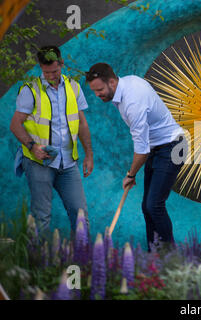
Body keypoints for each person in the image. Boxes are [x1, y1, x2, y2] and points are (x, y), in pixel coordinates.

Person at [86, 63, 186, 252]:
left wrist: (130, 175)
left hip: (173, 146)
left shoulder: (133, 103)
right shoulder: (128, 82)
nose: (97, 95)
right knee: (147, 206)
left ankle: (170, 259)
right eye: (94, 91)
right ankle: (154, 256)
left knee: (154, 205)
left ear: (112, 82)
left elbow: (142, 150)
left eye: (99, 89)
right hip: (159, 147)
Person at [10, 46, 94, 240]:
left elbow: (81, 122)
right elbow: (15, 125)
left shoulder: (74, 87)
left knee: (80, 214)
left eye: (54, 71)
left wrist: (88, 154)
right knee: (41, 217)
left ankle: (84, 264)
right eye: (46, 72)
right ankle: (39, 267)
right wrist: (32, 147)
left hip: (68, 163)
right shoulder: (30, 90)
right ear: (40, 68)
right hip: (39, 163)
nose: (50, 76)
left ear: (62, 64)